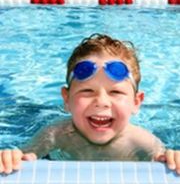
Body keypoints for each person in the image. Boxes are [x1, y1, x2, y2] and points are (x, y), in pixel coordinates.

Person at [0, 34, 180, 175]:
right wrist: (11, 158)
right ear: (66, 99)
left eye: (115, 92)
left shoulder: (142, 142)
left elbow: (166, 161)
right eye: (87, 91)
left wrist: (173, 159)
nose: (101, 102)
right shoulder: (55, 134)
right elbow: (24, 157)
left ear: (136, 102)